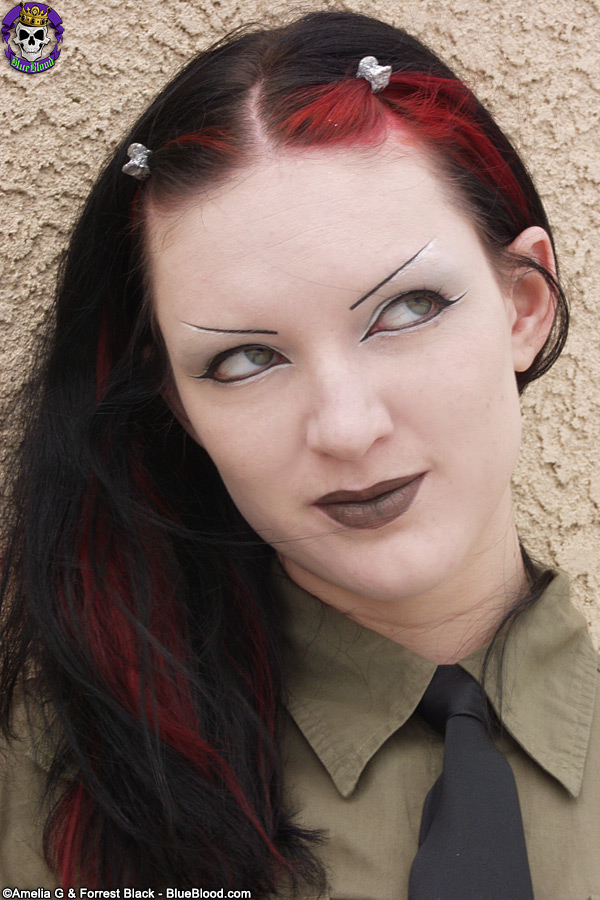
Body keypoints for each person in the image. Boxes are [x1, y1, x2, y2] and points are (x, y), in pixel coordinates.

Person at [0, 7, 598, 898]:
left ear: (524, 306)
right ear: (179, 406)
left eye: (408, 309)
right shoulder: (43, 794)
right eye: (245, 359)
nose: (346, 429)